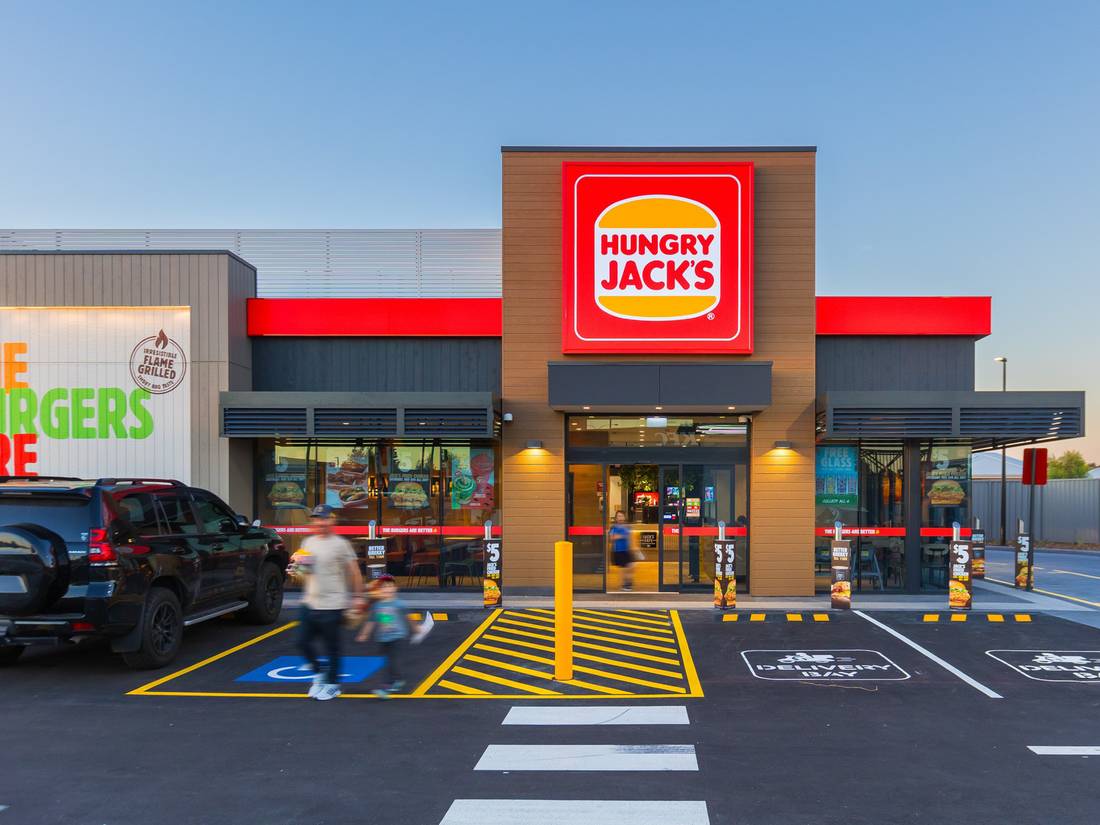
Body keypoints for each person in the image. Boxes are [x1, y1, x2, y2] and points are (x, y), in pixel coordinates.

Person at [294, 504, 364, 701]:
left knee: (332, 648)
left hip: (333, 603)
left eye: (324, 518)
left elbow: (355, 572)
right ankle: (319, 674)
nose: (321, 522)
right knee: (301, 642)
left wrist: (358, 597)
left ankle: (333, 685)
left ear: (332, 520)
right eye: (317, 519)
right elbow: (304, 571)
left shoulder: (341, 544)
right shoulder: (308, 542)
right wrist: (296, 569)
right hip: (310, 602)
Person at [356, 574, 419, 698]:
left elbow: (409, 618)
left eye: (390, 586)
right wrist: (364, 634)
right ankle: (398, 679)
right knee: (388, 662)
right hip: (383, 638)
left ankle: (385, 688)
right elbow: (371, 621)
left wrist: (416, 629)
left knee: (391, 662)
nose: (387, 589)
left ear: (395, 588)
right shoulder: (377, 606)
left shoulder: (399, 604)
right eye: (384, 587)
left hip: (397, 637)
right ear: (379, 590)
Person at [608, 509, 634, 591]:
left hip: (627, 549)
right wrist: (622, 536)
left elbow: (629, 536)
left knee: (630, 566)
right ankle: (625, 584)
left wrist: (632, 547)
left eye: (622, 516)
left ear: (624, 517)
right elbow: (612, 538)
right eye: (619, 516)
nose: (620, 518)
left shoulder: (627, 526)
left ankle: (627, 583)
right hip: (618, 550)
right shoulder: (614, 527)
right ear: (616, 518)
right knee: (624, 568)